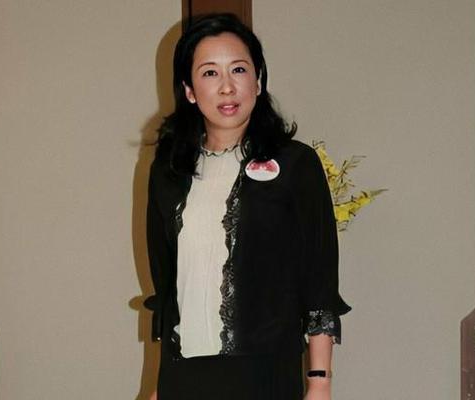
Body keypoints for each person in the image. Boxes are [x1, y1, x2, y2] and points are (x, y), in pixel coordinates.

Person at [144, 13, 352, 400]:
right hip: (184, 376)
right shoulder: (168, 172)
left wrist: (319, 381)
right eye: (209, 73)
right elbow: (170, 287)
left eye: (238, 69)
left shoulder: (296, 165)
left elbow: (319, 282)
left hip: (264, 375)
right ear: (189, 90)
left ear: (257, 80)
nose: (227, 87)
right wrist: (159, 387)